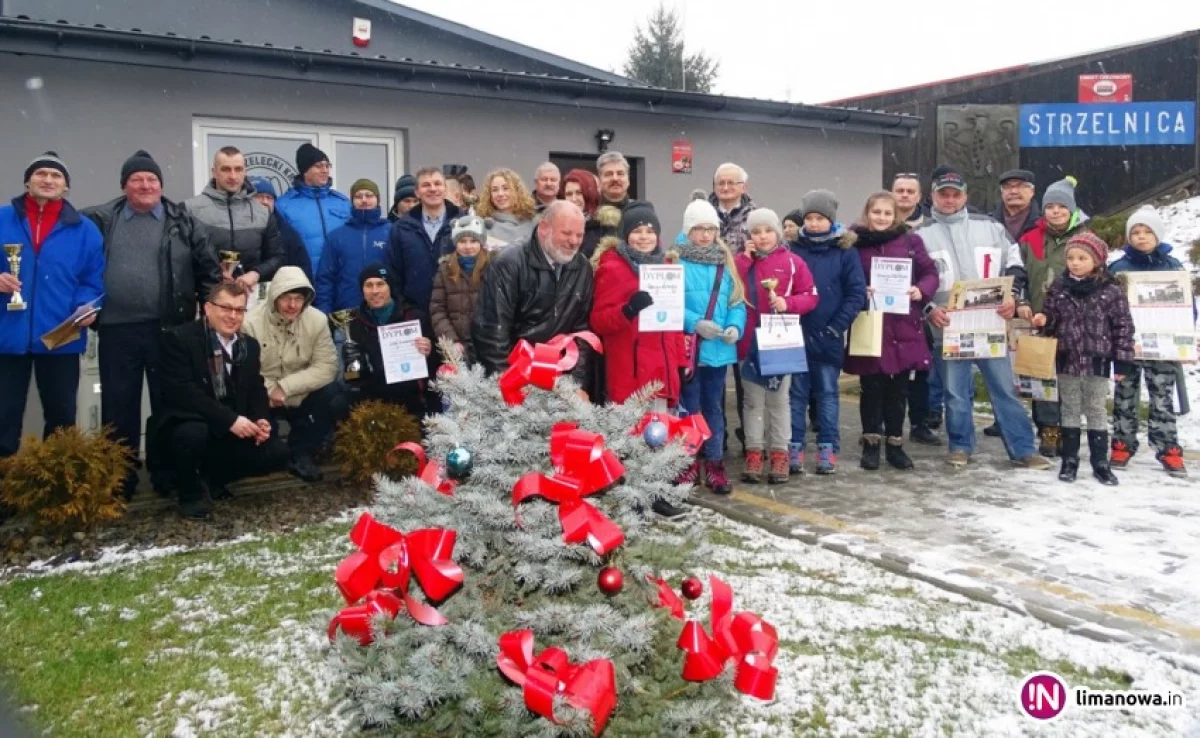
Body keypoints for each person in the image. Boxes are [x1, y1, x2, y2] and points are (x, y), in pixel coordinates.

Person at [85, 149, 222, 498]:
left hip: (169, 329)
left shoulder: (184, 222)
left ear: (161, 186)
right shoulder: (100, 220)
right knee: (118, 407)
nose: (146, 185)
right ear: (123, 186)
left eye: (152, 179)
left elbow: (209, 271)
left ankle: (167, 474)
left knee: (169, 405)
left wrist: (211, 311)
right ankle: (120, 478)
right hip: (117, 330)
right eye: (137, 179)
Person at [915, 165, 1050, 470]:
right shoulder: (919, 236)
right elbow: (914, 283)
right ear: (933, 196)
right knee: (955, 393)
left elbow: (1014, 265)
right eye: (943, 194)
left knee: (1004, 389)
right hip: (947, 330)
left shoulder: (990, 227)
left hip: (990, 327)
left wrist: (1012, 298)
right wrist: (928, 310)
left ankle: (1023, 449)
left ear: (965, 196)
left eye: (955, 194)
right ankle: (960, 445)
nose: (949, 200)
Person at [0, 152, 105, 459]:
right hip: (6, 336)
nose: (48, 180)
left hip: (60, 336)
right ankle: (5, 491)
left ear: (66, 187)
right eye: (41, 174)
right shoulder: (2, 218)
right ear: (27, 181)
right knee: (3, 417)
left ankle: (56, 492)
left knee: (61, 419)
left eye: (56, 176)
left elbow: (93, 280)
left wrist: (86, 305)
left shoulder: (85, 230)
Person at [156, 283, 289, 519]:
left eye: (239, 310)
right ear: (207, 308)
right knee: (192, 433)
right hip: (192, 422)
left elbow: (256, 387)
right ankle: (190, 494)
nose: (233, 316)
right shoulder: (179, 339)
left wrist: (260, 419)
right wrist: (231, 420)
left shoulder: (248, 345)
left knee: (276, 452)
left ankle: (213, 477)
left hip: (229, 427)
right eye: (226, 308)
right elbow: (184, 393)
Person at [843, 192, 939, 470]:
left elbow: (930, 273)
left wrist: (920, 290)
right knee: (871, 386)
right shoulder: (853, 243)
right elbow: (845, 277)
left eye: (887, 213)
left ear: (896, 215)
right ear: (867, 213)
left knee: (898, 389)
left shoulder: (910, 241)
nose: (882, 218)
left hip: (903, 323)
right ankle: (871, 443)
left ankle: (895, 444)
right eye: (877, 212)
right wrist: (860, 290)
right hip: (870, 322)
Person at [1032, 232, 1133, 485]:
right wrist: (1044, 320)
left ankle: (1100, 461)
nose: (1075, 263)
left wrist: (1122, 359)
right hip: (1067, 358)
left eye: (1082, 258)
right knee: (1069, 408)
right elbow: (1051, 316)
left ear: (1097, 260)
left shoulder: (1111, 290)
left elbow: (1123, 326)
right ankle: (1070, 459)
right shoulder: (1059, 287)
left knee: (1096, 409)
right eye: (1071, 258)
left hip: (1097, 359)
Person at [787, 190, 867, 475]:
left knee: (827, 393)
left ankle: (827, 447)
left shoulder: (845, 251)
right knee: (796, 395)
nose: (814, 223)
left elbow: (856, 293)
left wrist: (836, 327)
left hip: (829, 335)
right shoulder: (793, 249)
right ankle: (793, 446)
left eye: (819, 218)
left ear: (830, 220)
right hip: (796, 334)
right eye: (809, 218)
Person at [735, 208, 818, 484]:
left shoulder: (793, 262)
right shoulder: (740, 262)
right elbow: (730, 289)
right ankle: (754, 452)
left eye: (768, 231)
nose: (762, 237)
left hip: (781, 341)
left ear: (778, 233)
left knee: (779, 401)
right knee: (751, 402)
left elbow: (810, 296)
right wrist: (745, 261)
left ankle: (780, 453)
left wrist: (788, 303)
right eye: (756, 232)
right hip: (749, 342)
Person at [472, 200, 594, 386]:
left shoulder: (582, 267)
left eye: (580, 235)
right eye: (567, 233)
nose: (574, 241)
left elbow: (582, 332)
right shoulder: (509, 264)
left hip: (560, 379)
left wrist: (576, 385)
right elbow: (492, 332)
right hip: (515, 372)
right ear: (544, 228)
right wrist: (508, 384)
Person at [1109, 206, 1191, 477]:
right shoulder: (1119, 268)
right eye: (1135, 232)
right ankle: (1122, 443)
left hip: (1162, 347)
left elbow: (1186, 305)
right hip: (1128, 346)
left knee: (1162, 398)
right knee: (1125, 396)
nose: (1141, 237)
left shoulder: (1172, 267)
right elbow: (1107, 303)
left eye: (1147, 232)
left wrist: (1186, 335)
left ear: (1158, 235)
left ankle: (1168, 447)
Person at [241, 265, 344, 482]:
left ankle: (302, 452)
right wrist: (271, 391)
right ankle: (275, 451)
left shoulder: (317, 320)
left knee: (333, 394)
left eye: (298, 298)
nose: (292, 305)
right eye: (286, 297)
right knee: (269, 457)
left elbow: (327, 366)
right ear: (274, 297)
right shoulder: (250, 322)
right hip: (264, 397)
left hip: (300, 393)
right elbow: (247, 372)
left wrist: (286, 387)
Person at [1017, 175, 1090, 456]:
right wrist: (1022, 300)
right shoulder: (1030, 238)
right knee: (1042, 375)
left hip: (1076, 322)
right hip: (1040, 319)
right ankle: (1048, 428)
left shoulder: (1086, 239)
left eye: (1061, 206)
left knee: (1070, 377)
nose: (1055, 211)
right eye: (1050, 207)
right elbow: (1017, 273)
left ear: (1071, 209)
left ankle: (1069, 427)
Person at [677, 199, 746, 495]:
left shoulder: (724, 260)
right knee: (689, 409)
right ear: (688, 230)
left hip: (718, 351)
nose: (705, 235)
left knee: (714, 408)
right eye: (699, 229)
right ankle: (688, 462)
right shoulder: (675, 261)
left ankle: (715, 463)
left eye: (710, 229)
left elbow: (736, 302)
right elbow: (668, 305)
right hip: (690, 351)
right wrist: (693, 322)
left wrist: (735, 326)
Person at [589, 202, 685, 406]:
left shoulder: (667, 267)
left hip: (662, 374)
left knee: (662, 434)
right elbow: (598, 321)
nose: (644, 237)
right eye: (637, 231)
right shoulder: (612, 268)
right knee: (631, 435)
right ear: (625, 235)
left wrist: (680, 362)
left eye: (650, 231)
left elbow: (674, 324)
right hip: (630, 376)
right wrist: (628, 310)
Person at [184, 147, 285, 294]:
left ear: (245, 172)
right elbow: (180, 260)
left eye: (238, 169)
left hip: (249, 298)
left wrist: (255, 274)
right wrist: (213, 274)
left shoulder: (262, 213)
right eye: (226, 169)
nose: (233, 176)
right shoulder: (189, 209)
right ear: (214, 172)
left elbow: (277, 257)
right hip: (206, 296)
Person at [346, 264, 433, 419]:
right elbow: (351, 378)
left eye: (380, 284)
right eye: (369, 285)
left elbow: (435, 363)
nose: (375, 291)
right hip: (372, 397)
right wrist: (352, 364)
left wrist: (428, 350)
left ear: (390, 287)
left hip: (410, 395)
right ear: (362, 290)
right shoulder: (354, 323)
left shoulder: (413, 316)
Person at [892, 173, 939, 440]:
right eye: (900, 190)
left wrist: (922, 291)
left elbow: (931, 270)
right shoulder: (878, 223)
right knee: (888, 372)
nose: (905, 195)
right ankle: (889, 422)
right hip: (883, 310)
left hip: (918, 308)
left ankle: (920, 423)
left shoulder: (931, 227)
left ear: (920, 196)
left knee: (920, 369)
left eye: (911, 191)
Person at [388, 167, 462, 313]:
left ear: (445, 190)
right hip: (416, 314)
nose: (433, 189)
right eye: (426, 185)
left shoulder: (463, 222)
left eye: (437, 184)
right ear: (417, 192)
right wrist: (404, 308)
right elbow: (394, 274)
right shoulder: (401, 228)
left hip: (455, 314)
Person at [315, 178, 391, 314]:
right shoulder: (337, 236)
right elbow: (325, 279)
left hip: (386, 313)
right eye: (358, 196)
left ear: (377, 200)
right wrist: (324, 312)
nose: (364, 200)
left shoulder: (391, 232)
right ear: (352, 201)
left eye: (369, 195)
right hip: (346, 312)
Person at [274, 143, 351, 273]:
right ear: (305, 170)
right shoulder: (284, 205)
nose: (325, 170)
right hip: (304, 281)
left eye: (327, 166)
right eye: (319, 166)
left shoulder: (342, 202)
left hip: (340, 280)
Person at [430, 215, 491, 364]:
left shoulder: (493, 266)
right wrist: (452, 340)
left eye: (473, 241)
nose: (468, 246)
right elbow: (437, 309)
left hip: (487, 343)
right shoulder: (445, 268)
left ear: (481, 242)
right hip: (458, 345)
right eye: (462, 241)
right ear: (455, 243)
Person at [250, 176, 312, 281]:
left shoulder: (289, 233)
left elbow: (303, 270)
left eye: (269, 197)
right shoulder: (239, 230)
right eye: (259, 196)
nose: (265, 201)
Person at [584, 152, 637, 258]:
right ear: (599, 180)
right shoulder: (588, 214)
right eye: (608, 174)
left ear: (628, 179)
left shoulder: (639, 212)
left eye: (620, 173)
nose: (615, 178)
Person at [476, 168, 536, 249]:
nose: (500, 194)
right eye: (495, 190)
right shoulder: (482, 226)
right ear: (489, 196)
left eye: (506, 188)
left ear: (517, 191)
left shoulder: (532, 224)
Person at [709, 163, 756, 254]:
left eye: (731, 183)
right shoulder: (703, 214)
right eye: (721, 183)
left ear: (743, 187)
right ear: (714, 187)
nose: (725, 188)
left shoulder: (755, 217)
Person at [993, 169, 1041, 242]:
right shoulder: (990, 223)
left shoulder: (1043, 224)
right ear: (1001, 192)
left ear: (1032, 191)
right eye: (1007, 187)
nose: (1013, 191)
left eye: (1021, 186)